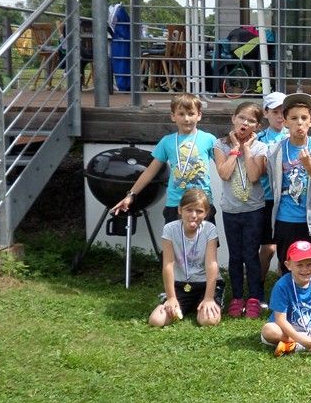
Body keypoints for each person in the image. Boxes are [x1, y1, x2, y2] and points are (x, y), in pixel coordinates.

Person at [111, 93, 217, 223]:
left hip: (202, 203)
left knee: (206, 237)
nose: (186, 119)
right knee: (174, 237)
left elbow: (223, 168)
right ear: (173, 116)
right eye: (181, 114)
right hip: (176, 204)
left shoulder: (209, 139)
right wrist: (131, 195)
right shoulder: (167, 142)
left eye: (191, 114)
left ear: (199, 115)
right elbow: (150, 172)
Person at [214, 101, 267, 319]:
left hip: (254, 209)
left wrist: (246, 148)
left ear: (257, 126)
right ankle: (237, 297)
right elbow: (224, 173)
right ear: (233, 119)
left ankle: (254, 297)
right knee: (235, 255)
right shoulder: (220, 144)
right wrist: (235, 148)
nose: (245, 123)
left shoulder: (261, 147)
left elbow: (254, 176)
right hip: (231, 210)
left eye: (251, 120)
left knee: (251, 254)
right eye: (241, 118)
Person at [267, 93, 311, 267]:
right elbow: (274, 183)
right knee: (287, 265)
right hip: (285, 219)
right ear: (285, 122)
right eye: (294, 118)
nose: (299, 123)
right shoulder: (275, 150)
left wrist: (309, 167)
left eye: (304, 118)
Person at [148, 189, 222, 328]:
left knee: (208, 321)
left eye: (199, 211)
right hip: (180, 285)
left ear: (206, 213)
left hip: (204, 284)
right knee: (156, 321)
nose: (194, 215)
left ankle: (204, 302)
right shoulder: (170, 229)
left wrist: (208, 298)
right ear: (180, 210)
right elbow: (168, 264)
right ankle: (182, 303)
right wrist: (171, 298)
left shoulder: (210, 229)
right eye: (189, 210)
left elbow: (211, 264)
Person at [256, 91, 288, 281]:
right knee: (268, 248)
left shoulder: (293, 136)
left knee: (286, 248)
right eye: (275, 112)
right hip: (266, 199)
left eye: (283, 111)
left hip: (287, 199)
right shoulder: (258, 139)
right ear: (266, 113)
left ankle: (283, 286)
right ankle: (258, 287)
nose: (280, 116)